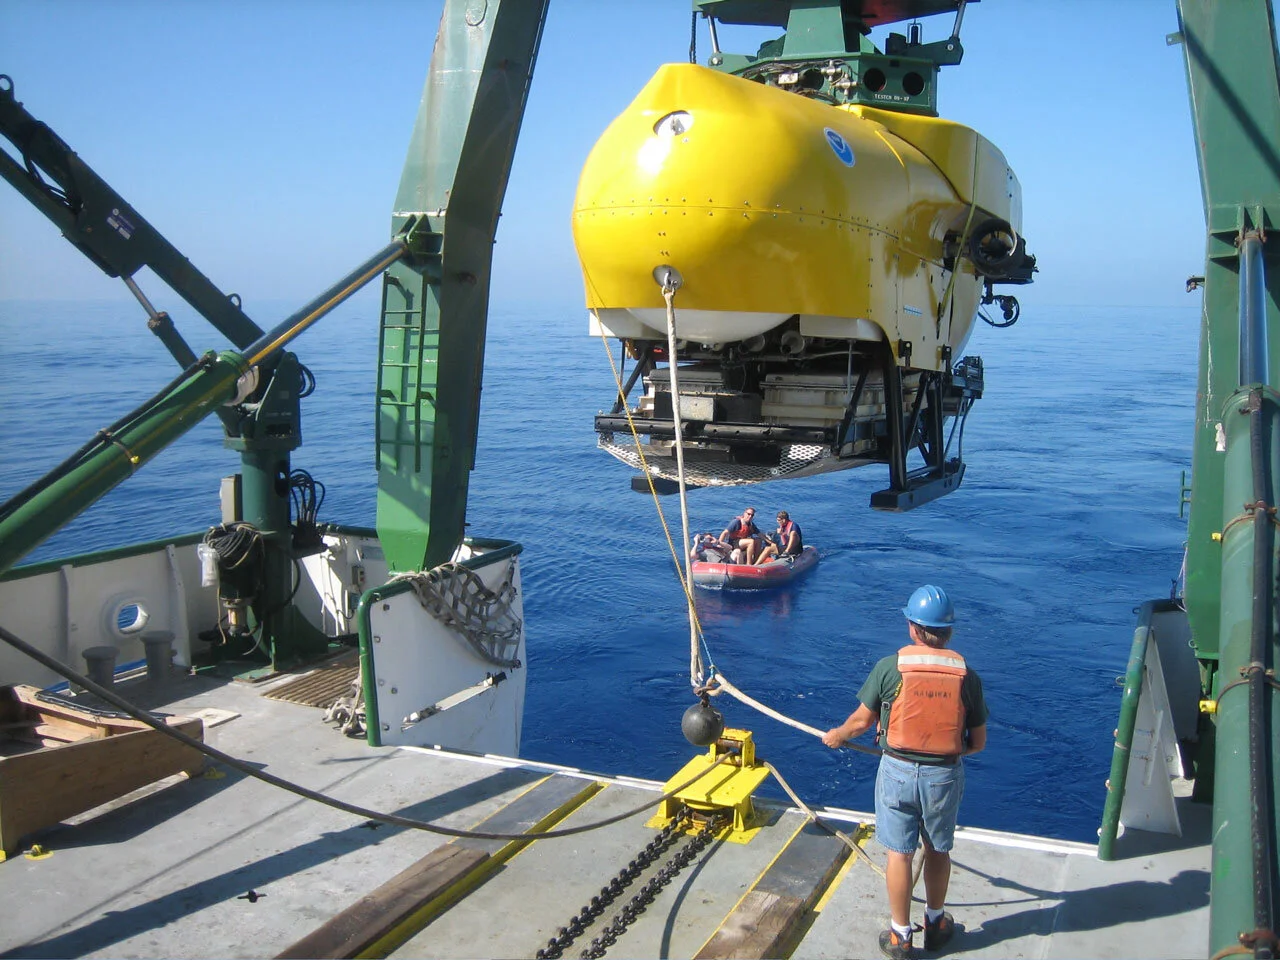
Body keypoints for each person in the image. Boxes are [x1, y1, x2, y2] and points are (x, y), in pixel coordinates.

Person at [821, 585, 987, 960]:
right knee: (938, 849)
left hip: (896, 771)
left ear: (913, 628)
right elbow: (978, 742)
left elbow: (861, 722)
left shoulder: (889, 667)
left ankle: (900, 935)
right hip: (943, 776)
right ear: (949, 632)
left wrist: (837, 736)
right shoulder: (967, 677)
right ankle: (935, 922)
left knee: (899, 854)